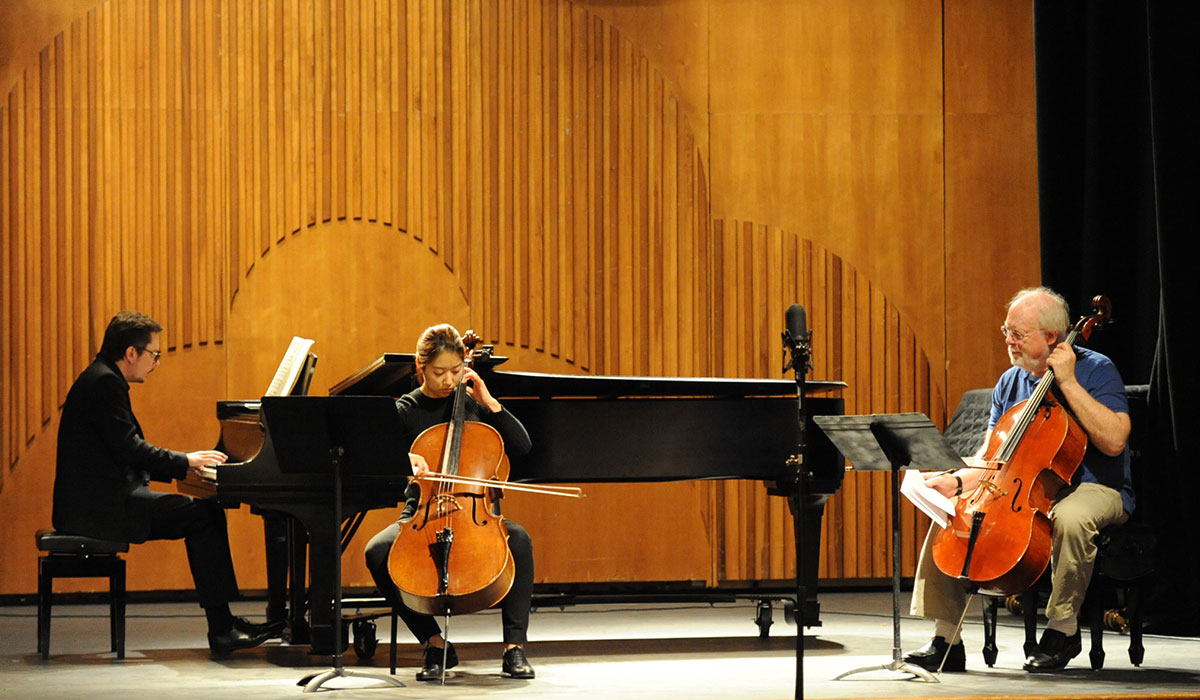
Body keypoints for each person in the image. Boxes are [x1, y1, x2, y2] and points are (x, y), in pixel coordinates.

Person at [904, 287, 1133, 673]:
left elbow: (1113, 441)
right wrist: (956, 483)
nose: (1008, 341)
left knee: (1072, 518)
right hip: (1026, 488)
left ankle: (1062, 629)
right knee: (949, 512)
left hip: (1094, 485)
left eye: (1018, 334)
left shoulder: (1096, 369)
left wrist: (1069, 382)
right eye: (1006, 331)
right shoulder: (1010, 381)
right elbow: (993, 458)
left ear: (1051, 338)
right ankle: (947, 638)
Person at [52, 311, 275, 656]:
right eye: (154, 354)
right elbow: (131, 449)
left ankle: (225, 623)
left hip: (97, 500)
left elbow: (124, 453)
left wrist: (185, 466)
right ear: (131, 353)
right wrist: (186, 461)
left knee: (203, 513)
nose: (156, 363)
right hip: (98, 509)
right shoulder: (104, 383)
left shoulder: (100, 377)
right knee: (202, 516)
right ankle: (222, 629)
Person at [364, 323, 536, 681]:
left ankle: (514, 648)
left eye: (456, 371)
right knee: (377, 552)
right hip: (423, 513)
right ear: (420, 367)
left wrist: (490, 403)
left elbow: (523, 448)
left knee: (518, 540)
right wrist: (404, 464)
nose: (448, 380)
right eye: (439, 372)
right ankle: (434, 642)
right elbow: (375, 466)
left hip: (475, 512)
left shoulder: (474, 405)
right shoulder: (405, 411)